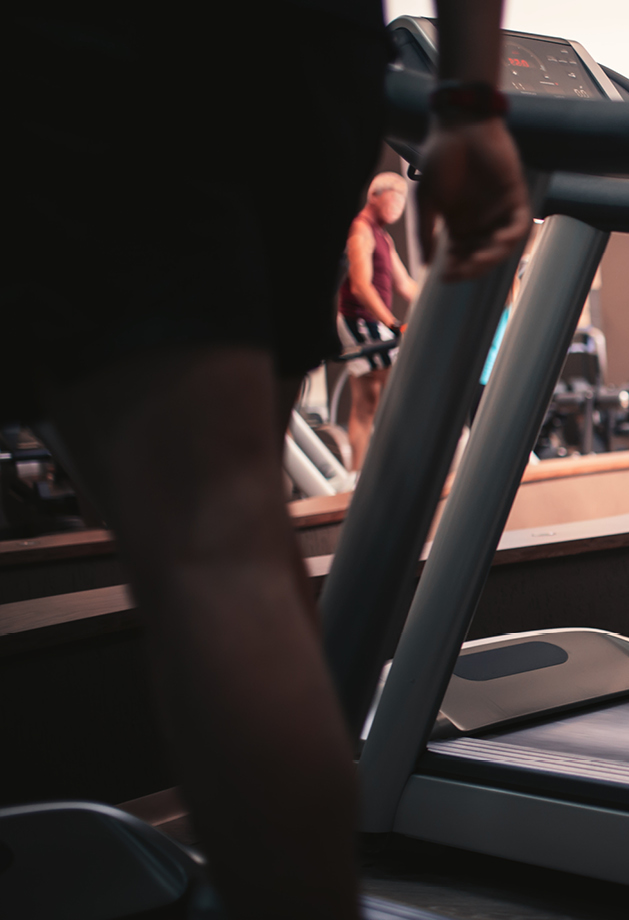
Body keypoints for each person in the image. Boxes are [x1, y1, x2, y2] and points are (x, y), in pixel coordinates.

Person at [7, 2, 531, 917]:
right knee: (232, 522)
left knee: (208, 537)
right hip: (310, 50)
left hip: (107, 43)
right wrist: (475, 98)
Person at [337, 172, 421, 470]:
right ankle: (400, 468)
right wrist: (393, 323)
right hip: (361, 320)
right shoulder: (361, 230)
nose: (399, 205)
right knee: (401, 391)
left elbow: (407, 285)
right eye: (394, 196)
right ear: (375, 196)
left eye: (403, 198)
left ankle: (356, 476)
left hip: (373, 322)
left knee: (366, 403)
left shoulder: (383, 236)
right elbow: (360, 285)